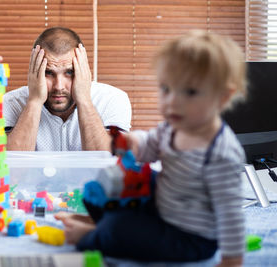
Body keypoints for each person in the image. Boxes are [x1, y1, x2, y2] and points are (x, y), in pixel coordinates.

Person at [56, 30, 247, 267]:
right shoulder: (174, 126)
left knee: (120, 229)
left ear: (223, 97)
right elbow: (150, 144)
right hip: (161, 205)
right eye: (166, 89)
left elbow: (231, 215)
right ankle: (99, 222)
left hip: (189, 236)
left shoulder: (221, 152)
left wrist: (232, 259)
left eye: (190, 92)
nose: (172, 101)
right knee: (101, 189)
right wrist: (134, 143)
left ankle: (93, 236)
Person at [3, 27, 132, 151]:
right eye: (48, 72)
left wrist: (84, 100)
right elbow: (10, 165)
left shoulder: (112, 99)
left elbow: (108, 162)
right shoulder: (10, 103)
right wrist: (34, 101)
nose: (59, 86)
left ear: (84, 70)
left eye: (69, 72)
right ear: (34, 71)